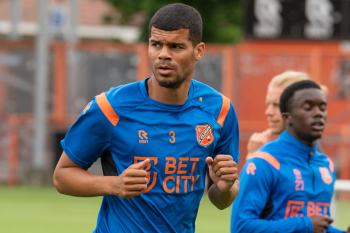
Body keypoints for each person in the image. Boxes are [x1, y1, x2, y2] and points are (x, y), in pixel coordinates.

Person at [53, 3, 240, 233]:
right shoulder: (110, 107)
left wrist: (226, 187)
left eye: (176, 46)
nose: (163, 54)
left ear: (198, 51)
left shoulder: (220, 110)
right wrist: (114, 185)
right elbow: (62, 176)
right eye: (156, 44)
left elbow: (221, 200)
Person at [230, 80, 350, 233]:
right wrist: (304, 225)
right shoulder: (263, 162)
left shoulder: (325, 165)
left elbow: (319, 226)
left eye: (322, 108)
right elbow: (240, 228)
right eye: (308, 108)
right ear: (287, 118)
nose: (318, 113)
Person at [246, 70, 326, 160]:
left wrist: (255, 158)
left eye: (277, 105)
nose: (268, 112)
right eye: (268, 104)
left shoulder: (312, 159)